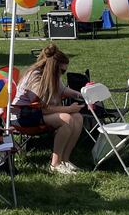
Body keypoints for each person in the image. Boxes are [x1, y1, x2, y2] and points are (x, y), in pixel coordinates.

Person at [12, 44, 84, 174]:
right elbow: (42, 108)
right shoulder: (35, 77)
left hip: (37, 113)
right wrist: (69, 108)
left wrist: (81, 94)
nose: (63, 74)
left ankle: (65, 160)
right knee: (66, 119)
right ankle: (55, 164)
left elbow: (63, 90)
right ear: (53, 68)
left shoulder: (52, 75)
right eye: (62, 71)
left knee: (78, 117)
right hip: (24, 116)